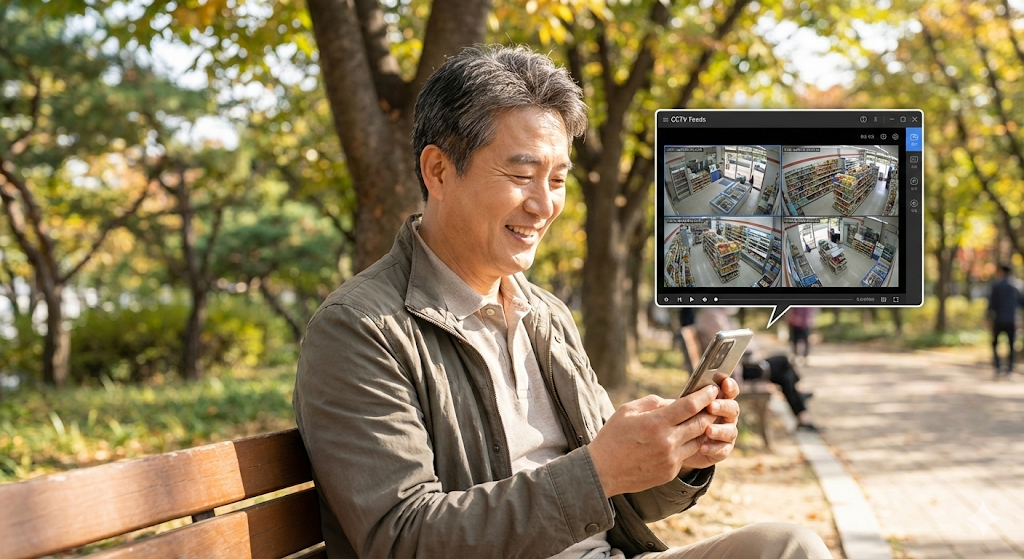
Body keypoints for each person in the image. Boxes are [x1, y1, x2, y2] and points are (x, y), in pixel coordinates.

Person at [293, 45, 830, 559]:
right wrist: (598, 471)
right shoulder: (360, 329)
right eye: (521, 175)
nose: (544, 204)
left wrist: (676, 454)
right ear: (438, 171)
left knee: (789, 547)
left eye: (556, 179)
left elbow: (618, 498)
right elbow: (402, 540)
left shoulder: (545, 315)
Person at [695, 307, 818, 431]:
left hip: (741, 365)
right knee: (783, 362)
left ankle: (801, 412)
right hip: (737, 370)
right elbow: (728, 346)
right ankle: (799, 402)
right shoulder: (712, 316)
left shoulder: (718, 315)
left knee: (785, 375)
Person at [988, 263, 1024, 378]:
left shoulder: (997, 286)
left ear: (1002, 272)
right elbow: (1022, 304)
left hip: (998, 319)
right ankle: (1010, 370)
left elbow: (992, 304)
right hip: (1012, 320)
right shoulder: (1018, 286)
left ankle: (998, 367)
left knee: (995, 343)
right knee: (1012, 345)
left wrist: (989, 318)